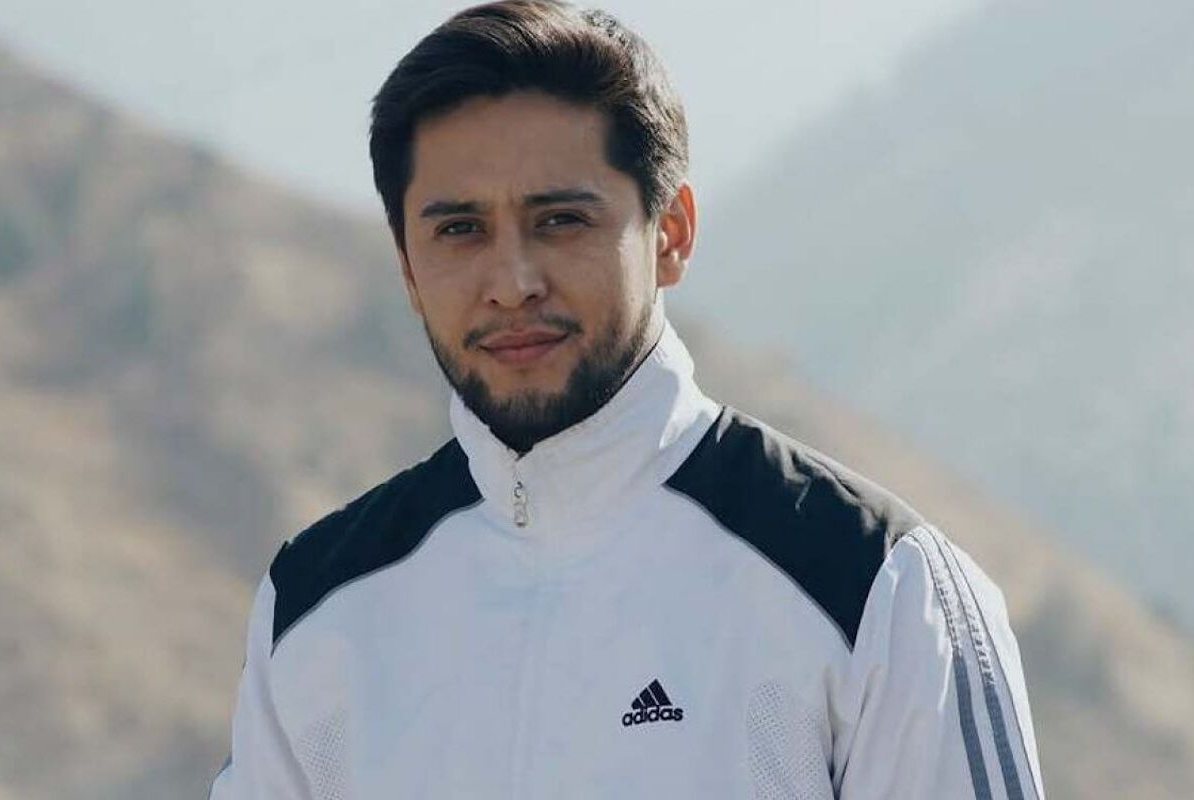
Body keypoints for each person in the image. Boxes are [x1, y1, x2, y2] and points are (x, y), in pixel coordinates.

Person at [209, 1, 1045, 797]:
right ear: (406, 266)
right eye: (459, 230)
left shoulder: (875, 585)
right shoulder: (314, 610)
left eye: (560, 221)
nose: (512, 282)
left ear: (670, 232)